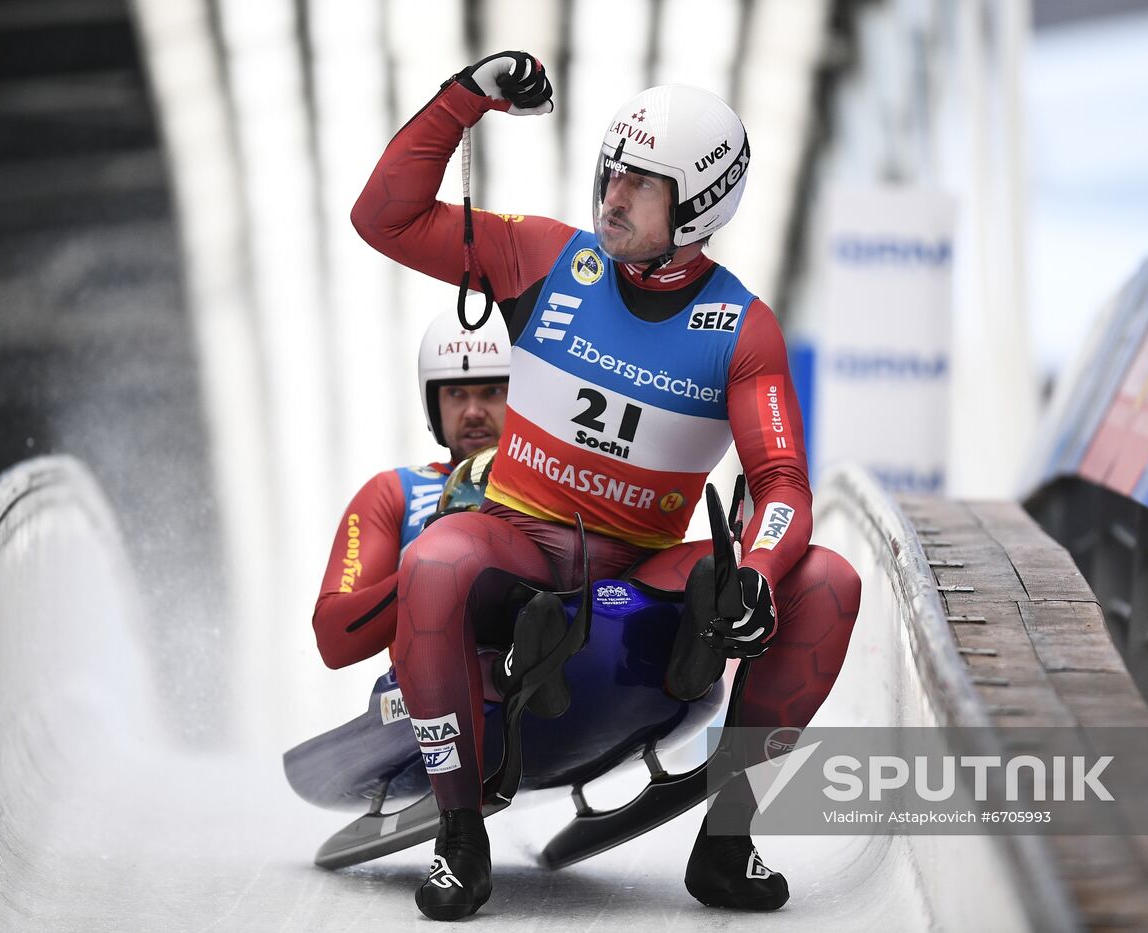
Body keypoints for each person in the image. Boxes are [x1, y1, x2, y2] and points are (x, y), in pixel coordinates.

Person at [352, 50, 862, 921]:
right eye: (611, 173)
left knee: (828, 585)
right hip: (520, 538)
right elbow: (384, 219)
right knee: (437, 562)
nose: (612, 197)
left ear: (699, 204)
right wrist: (461, 103)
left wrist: (759, 575)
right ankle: (459, 833)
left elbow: (781, 483)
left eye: (641, 184)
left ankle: (728, 842)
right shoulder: (544, 257)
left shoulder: (740, 329)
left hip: (647, 563)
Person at [312, 312, 509, 670]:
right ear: (434, 404)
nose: (474, 411)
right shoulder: (393, 492)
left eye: (492, 391)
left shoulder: (557, 482)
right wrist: (428, 572)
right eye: (456, 394)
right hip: (430, 695)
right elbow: (332, 639)